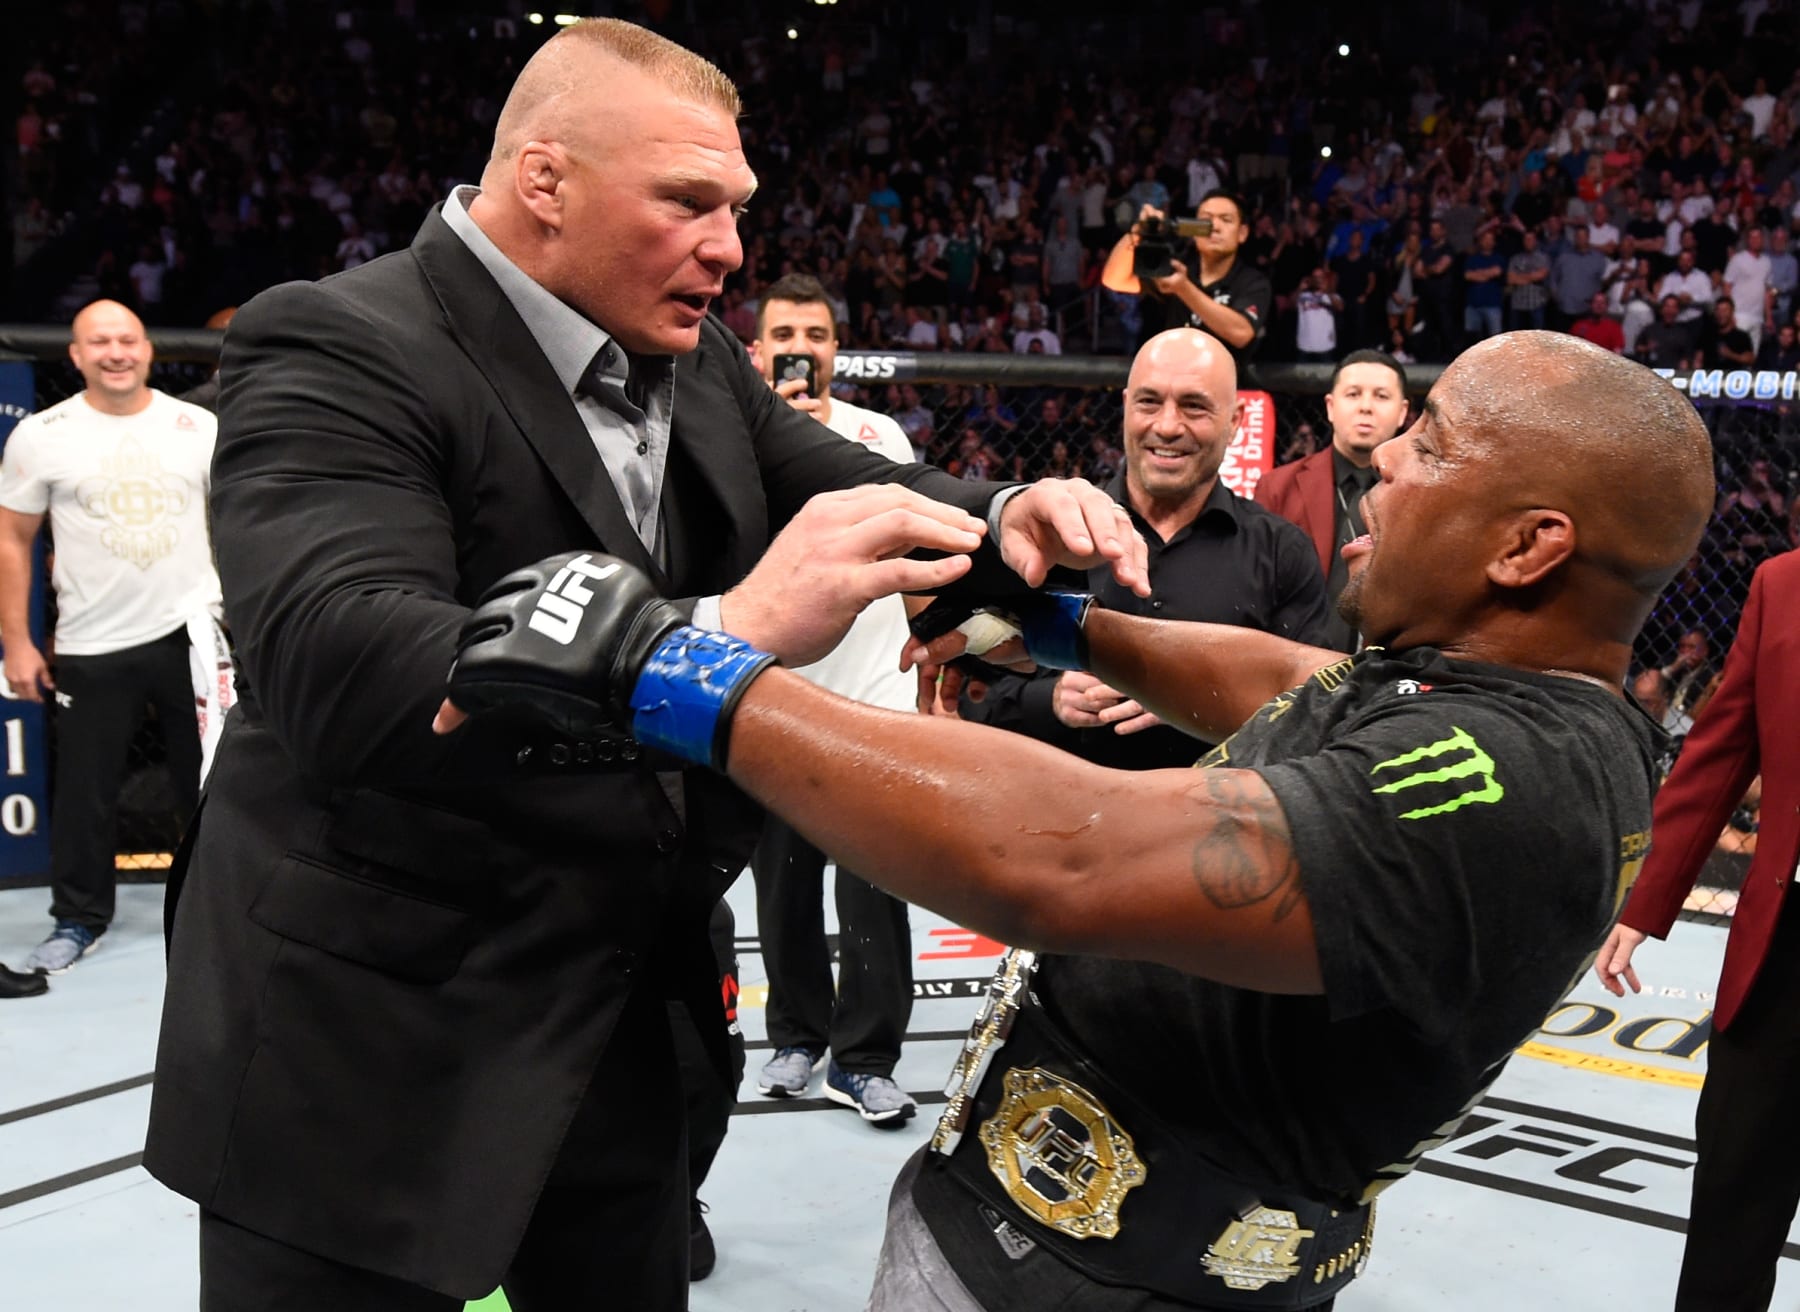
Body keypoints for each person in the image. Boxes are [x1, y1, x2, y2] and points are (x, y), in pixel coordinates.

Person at [142, 21, 1147, 1312]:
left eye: (735, 208)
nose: (729, 247)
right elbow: (346, 664)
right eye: (689, 202)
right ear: (545, 183)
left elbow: (867, 493)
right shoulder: (338, 343)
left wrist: (1007, 521)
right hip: (370, 1055)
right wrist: (720, 627)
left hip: (620, 1039)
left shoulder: (700, 358)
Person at [439, 329, 1717, 1311]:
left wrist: (682, 673)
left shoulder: (1503, 778)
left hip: (1100, 1284)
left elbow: (1068, 854)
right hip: (1043, 1238)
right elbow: (1279, 681)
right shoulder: (1471, 683)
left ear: (1528, 545)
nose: (1381, 459)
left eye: (1430, 445)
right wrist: (1043, 621)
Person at [959, 328, 1330, 771]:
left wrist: (1203, 704)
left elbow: (1316, 711)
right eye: (1149, 402)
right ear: (1125, 408)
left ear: (1234, 422)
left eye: (1194, 406)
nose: (1167, 426)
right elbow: (971, 697)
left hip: (1218, 824)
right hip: (1063, 823)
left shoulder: (1281, 552)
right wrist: (1049, 699)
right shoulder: (1045, 535)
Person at [1594, 551, 1800, 1311]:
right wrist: (1645, 898)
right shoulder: (1782, 583)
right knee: (1735, 1186)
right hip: (1784, 944)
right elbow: (1722, 746)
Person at [744, 274, 922, 1126]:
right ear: (755, 349)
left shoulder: (873, 433)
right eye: (784, 333)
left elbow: (899, 539)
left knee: (872, 894)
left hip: (870, 705)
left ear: (834, 350)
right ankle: (795, 1039)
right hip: (773, 700)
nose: (800, 349)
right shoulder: (731, 439)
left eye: (815, 334)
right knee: (781, 891)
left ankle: (868, 1058)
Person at [0, 299, 219, 975]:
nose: (116, 352)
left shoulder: (198, 426)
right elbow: (12, 539)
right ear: (76, 356)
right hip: (94, 639)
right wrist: (16, 640)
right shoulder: (42, 435)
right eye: (100, 342)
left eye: (127, 339)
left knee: (211, 789)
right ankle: (78, 919)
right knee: (86, 793)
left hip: (196, 636)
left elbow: (239, 523)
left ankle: (216, 917)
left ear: (148, 349)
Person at [1257, 349, 1411, 651]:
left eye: (1381, 396)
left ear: (1403, 412)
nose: (1366, 407)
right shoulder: (1278, 487)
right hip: (1296, 670)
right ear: (1330, 406)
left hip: (1394, 672)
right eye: (1353, 394)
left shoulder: (1424, 492)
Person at [1099, 189, 1272, 360]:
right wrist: (1138, 230)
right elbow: (1114, 279)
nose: (1215, 227)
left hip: (1223, 385)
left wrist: (1184, 289)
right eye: (1206, 220)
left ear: (1242, 233)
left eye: (1226, 220)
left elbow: (1241, 333)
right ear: (1193, 229)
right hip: (1173, 381)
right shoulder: (1176, 266)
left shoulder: (1253, 281)